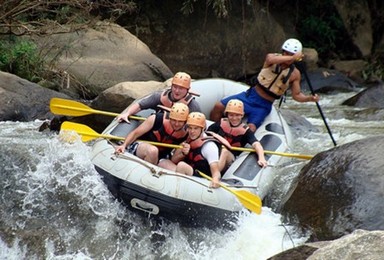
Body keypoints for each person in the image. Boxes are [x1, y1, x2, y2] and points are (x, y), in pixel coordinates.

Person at [210, 38, 320, 132]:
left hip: (264, 105)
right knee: (218, 106)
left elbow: (297, 95)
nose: (287, 56)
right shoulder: (272, 58)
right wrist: (292, 57)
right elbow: (270, 59)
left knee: (251, 128)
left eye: (291, 54)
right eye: (286, 53)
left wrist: (309, 98)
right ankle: (214, 131)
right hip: (250, 96)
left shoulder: (295, 74)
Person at [158, 112, 221, 188]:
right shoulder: (188, 139)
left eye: (195, 128)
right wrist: (183, 154)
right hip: (187, 172)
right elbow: (174, 160)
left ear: (203, 128)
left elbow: (216, 171)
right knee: (164, 162)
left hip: (201, 179)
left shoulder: (209, 146)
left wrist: (215, 179)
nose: (192, 131)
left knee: (182, 166)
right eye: (190, 128)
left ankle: (175, 188)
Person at [114, 103, 189, 164]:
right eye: (174, 120)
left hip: (162, 155)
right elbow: (135, 133)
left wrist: (183, 153)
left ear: (185, 122)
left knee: (172, 168)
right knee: (153, 151)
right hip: (142, 146)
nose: (176, 124)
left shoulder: (186, 133)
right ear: (170, 118)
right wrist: (124, 145)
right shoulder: (156, 119)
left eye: (180, 121)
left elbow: (174, 160)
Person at [207, 99, 268, 171]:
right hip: (217, 151)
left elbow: (256, 144)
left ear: (242, 115)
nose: (234, 118)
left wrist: (261, 158)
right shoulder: (221, 123)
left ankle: (215, 174)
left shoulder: (245, 131)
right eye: (231, 115)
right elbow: (207, 133)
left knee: (225, 151)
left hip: (231, 157)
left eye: (237, 115)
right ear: (227, 114)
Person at [118, 72, 201, 123]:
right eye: (175, 87)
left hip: (177, 136)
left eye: (181, 88)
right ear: (171, 86)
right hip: (158, 130)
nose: (177, 91)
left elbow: (197, 126)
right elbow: (140, 105)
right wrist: (127, 113)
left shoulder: (192, 105)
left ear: (188, 89)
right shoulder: (159, 97)